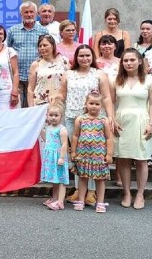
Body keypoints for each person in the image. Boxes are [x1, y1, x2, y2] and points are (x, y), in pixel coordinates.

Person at [59, 45, 115, 206]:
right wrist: (53, 102)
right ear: (76, 57)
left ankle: (91, 192)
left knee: (94, 156)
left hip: (95, 120)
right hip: (73, 118)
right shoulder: (69, 74)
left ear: (93, 57)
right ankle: (79, 190)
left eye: (88, 55)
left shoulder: (99, 74)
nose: (84, 58)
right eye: (81, 55)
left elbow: (106, 97)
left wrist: (110, 116)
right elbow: (62, 94)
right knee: (78, 155)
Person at [113, 49, 152, 210]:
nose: (129, 63)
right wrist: (112, 120)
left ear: (139, 61)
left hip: (142, 121)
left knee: (141, 159)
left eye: (132, 60)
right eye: (125, 60)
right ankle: (126, 193)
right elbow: (111, 102)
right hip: (122, 122)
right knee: (123, 158)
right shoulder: (117, 80)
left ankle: (140, 194)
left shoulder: (149, 80)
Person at [70, 91, 114, 213]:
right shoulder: (80, 119)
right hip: (83, 155)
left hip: (99, 157)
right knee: (83, 179)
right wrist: (73, 151)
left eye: (97, 104)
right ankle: (80, 201)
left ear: (101, 106)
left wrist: (109, 154)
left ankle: (100, 202)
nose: (94, 106)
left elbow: (109, 138)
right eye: (91, 103)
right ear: (86, 104)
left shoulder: (104, 120)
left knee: (99, 180)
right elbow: (75, 136)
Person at [7, 1, 48, 107]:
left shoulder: (43, 31)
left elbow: (47, 51)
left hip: (36, 75)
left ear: (36, 14)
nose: (29, 15)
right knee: (16, 106)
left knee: (33, 105)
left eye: (31, 12)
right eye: (26, 12)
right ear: (21, 14)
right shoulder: (12, 30)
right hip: (17, 76)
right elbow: (8, 51)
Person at [40, 103, 69, 210]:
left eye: (56, 115)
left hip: (58, 156)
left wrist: (61, 157)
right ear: (47, 116)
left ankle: (60, 202)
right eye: (51, 115)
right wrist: (39, 131)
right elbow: (46, 139)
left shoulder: (62, 129)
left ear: (61, 117)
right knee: (54, 179)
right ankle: (54, 197)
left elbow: (64, 144)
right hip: (50, 157)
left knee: (61, 179)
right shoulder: (48, 128)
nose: (53, 117)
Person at [27, 35, 69, 107]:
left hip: (60, 102)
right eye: (40, 46)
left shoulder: (63, 60)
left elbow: (69, 81)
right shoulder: (36, 64)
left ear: (52, 46)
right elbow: (30, 88)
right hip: (40, 103)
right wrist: (31, 107)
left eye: (45, 45)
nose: (42, 48)